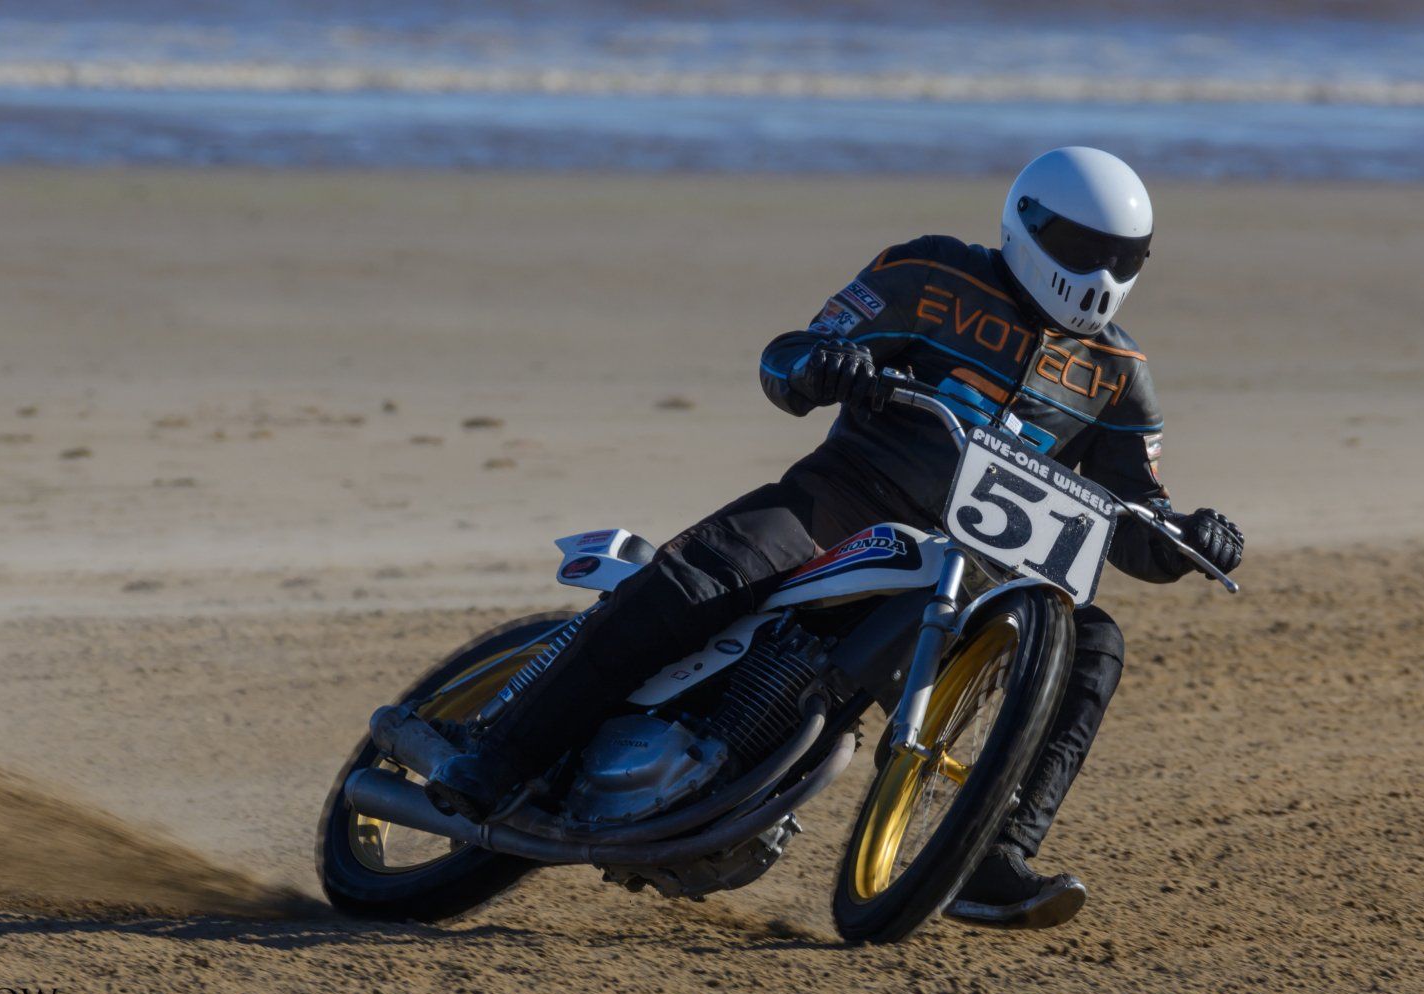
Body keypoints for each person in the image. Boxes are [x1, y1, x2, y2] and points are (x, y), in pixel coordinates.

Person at [420, 146, 1244, 929]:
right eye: (1084, 250)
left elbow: (1137, 522)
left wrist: (1190, 537)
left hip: (984, 575)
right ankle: (499, 755)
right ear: (1028, 225)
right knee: (698, 580)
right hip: (844, 500)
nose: (1101, 276)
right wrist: (827, 363)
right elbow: (788, 359)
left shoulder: (1119, 375)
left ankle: (992, 856)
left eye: (1123, 258)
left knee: (1095, 641)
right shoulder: (932, 273)